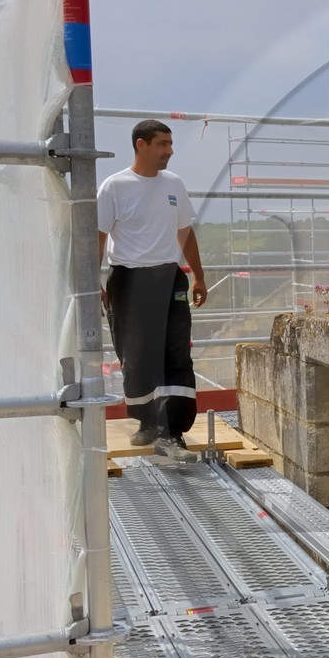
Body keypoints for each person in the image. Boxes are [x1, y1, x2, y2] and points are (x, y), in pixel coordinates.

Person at [98, 120, 208, 460]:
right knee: (136, 357)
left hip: (169, 278)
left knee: (176, 353)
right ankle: (147, 422)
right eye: (162, 144)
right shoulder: (114, 187)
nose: (169, 151)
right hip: (129, 281)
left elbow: (185, 233)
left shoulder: (174, 184)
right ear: (141, 145)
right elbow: (98, 238)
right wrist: (92, 284)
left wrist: (199, 276)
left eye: (170, 144)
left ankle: (172, 433)